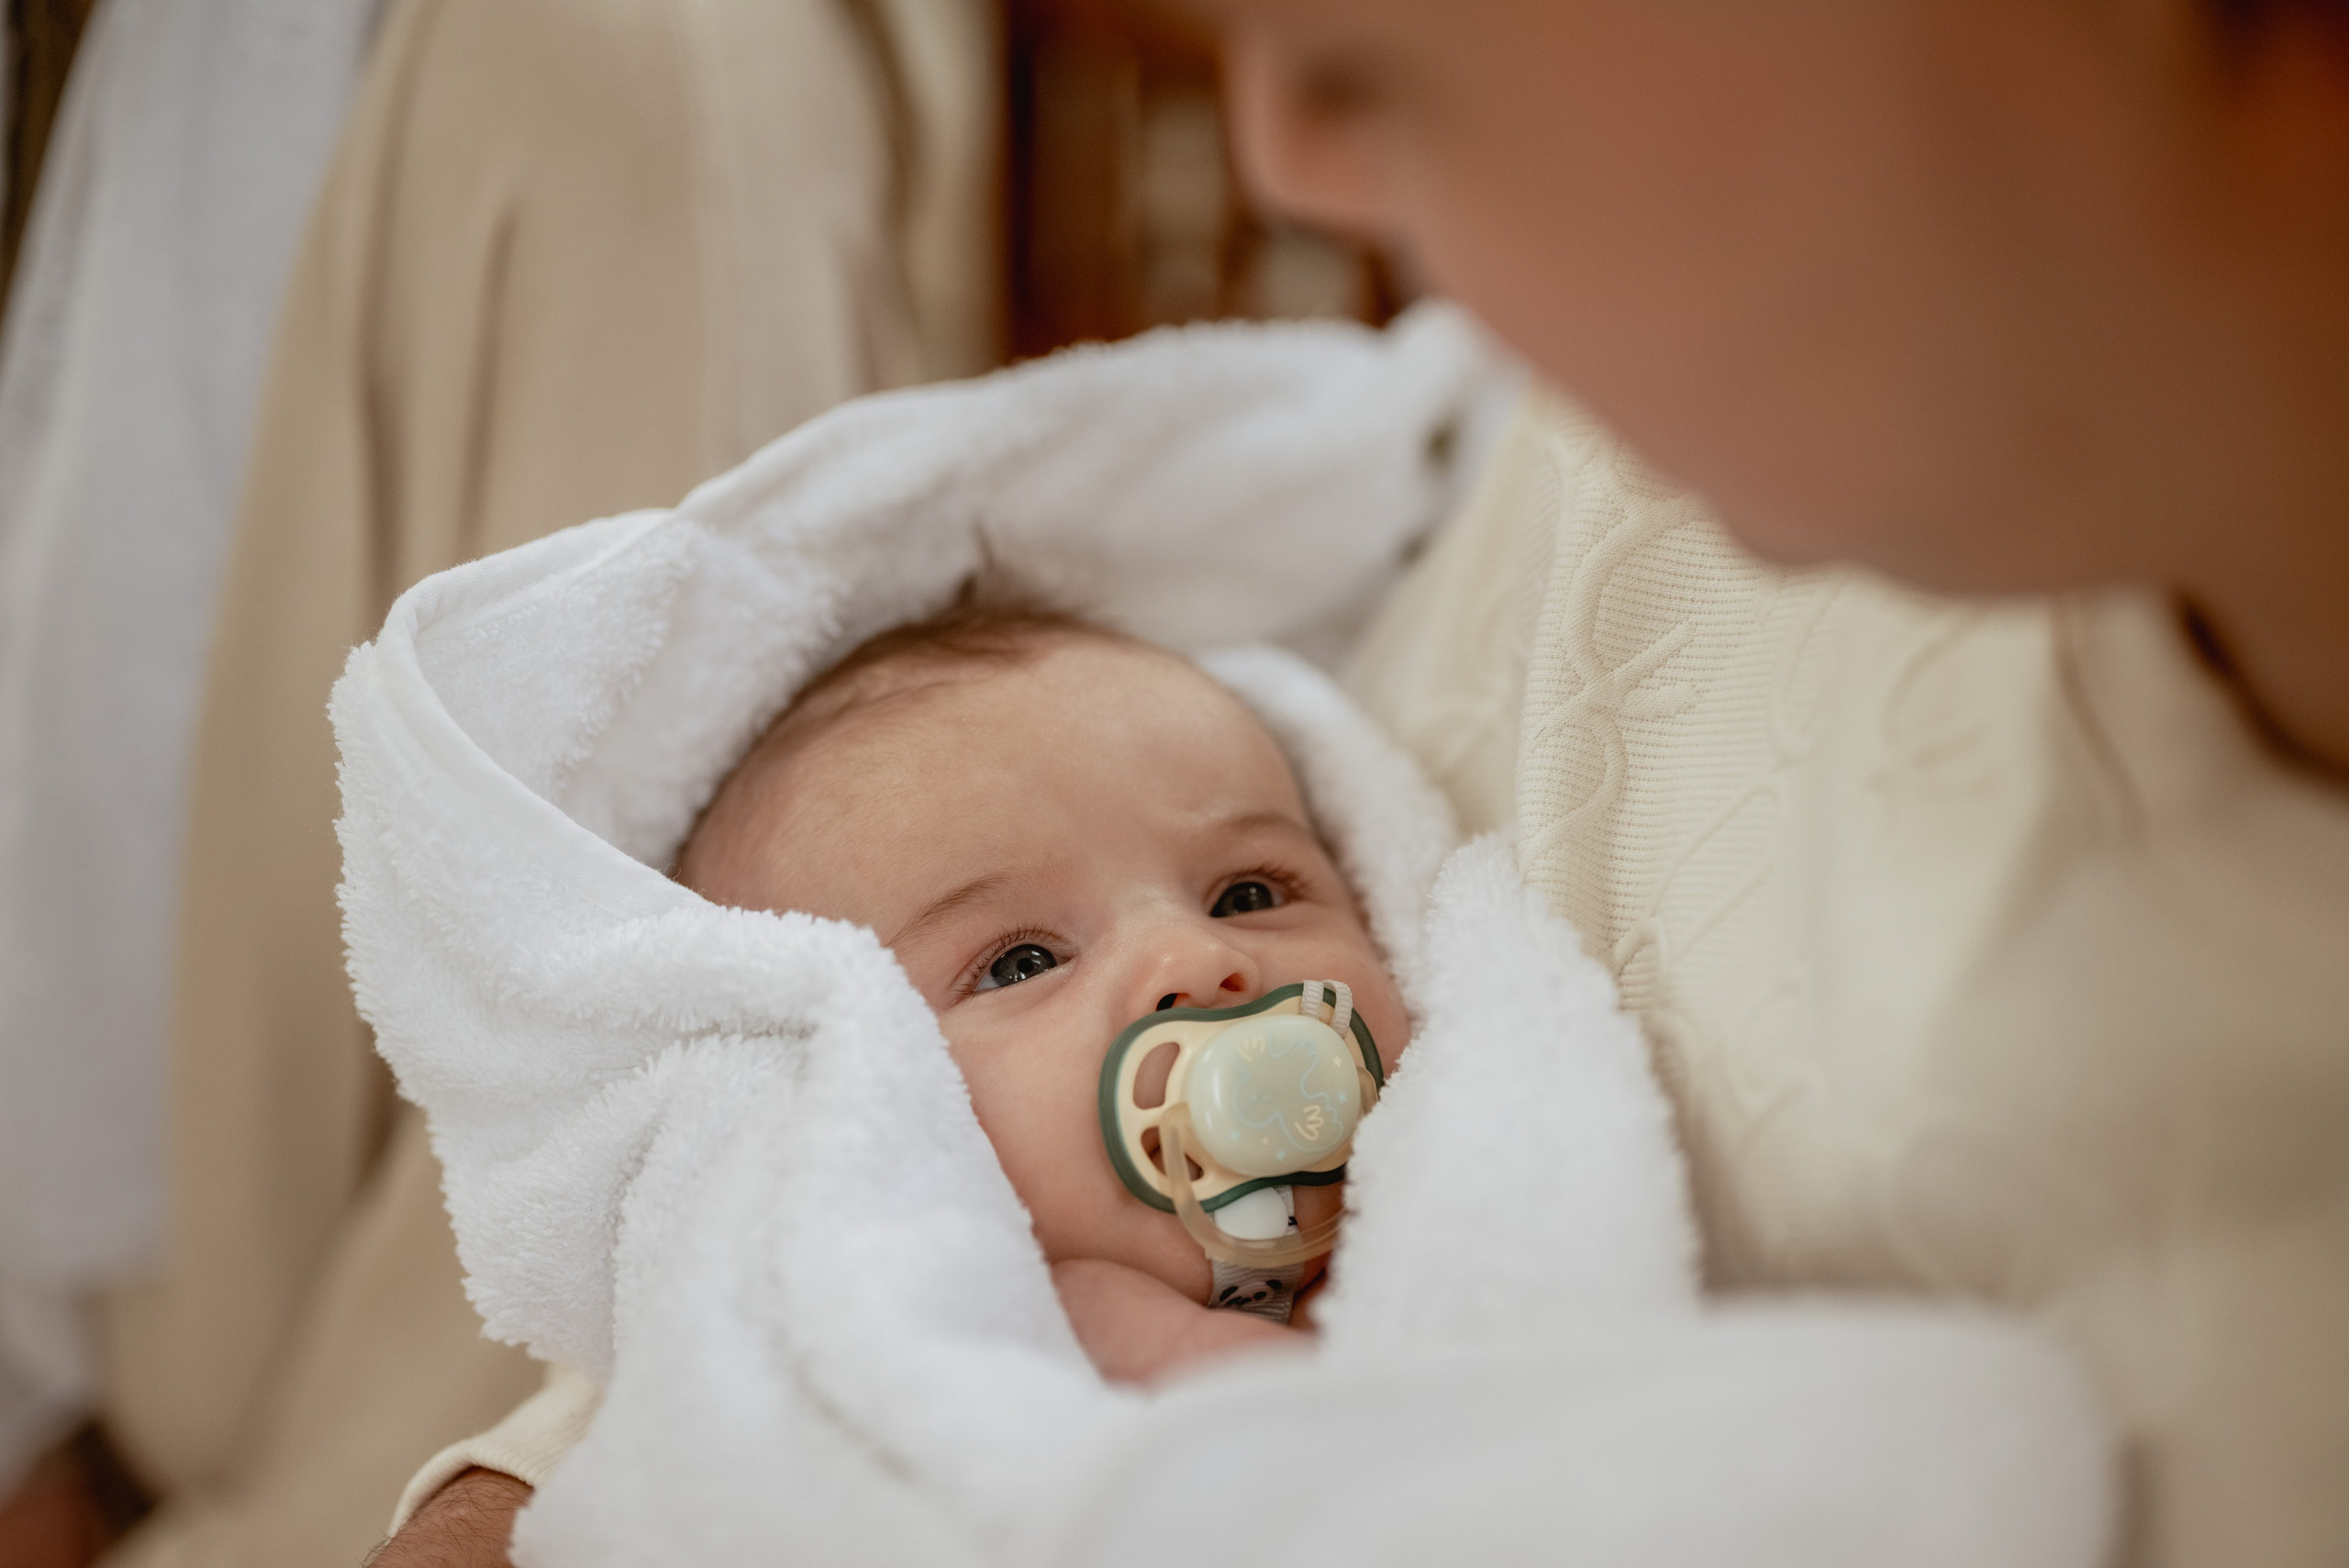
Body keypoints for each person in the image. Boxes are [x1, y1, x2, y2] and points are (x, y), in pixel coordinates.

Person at [387, 0, 2349, 1563]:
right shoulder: (1607, 456)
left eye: (1254, 892)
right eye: (1018, 962)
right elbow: (797, 1324)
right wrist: (542, 1479)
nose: (1284, 142)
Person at [671, 593, 1410, 1385]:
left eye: (1247, 895)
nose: (1195, 957)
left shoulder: (1466, 1148)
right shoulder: (1041, 1335)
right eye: (1023, 963)